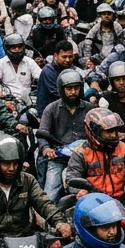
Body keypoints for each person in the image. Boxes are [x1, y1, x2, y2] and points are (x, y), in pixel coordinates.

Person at [36, 68, 89, 202]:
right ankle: (48, 221)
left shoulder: (90, 108)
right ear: (61, 89)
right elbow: (43, 133)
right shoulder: (51, 109)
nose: (73, 92)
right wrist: (46, 149)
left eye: (76, 88)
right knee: (49, 197)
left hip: (86, 159)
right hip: (58, 158)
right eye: (69, 88)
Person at [0, 34, 40, 107]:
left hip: (28, 101)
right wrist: (1, 93)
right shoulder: (0, 63)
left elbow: (41, 77)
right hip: (7, 101)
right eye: (13, 48)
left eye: (19, 47)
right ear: (7, 49)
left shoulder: (30, 62)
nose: (17, 50)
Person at [35, 38, 76, 116]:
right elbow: (59, 94)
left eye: (70, 57)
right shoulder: (48, 71)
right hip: (48, 112)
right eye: (64, 57)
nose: (67, 60)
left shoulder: (72, 68)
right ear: (55, 56)